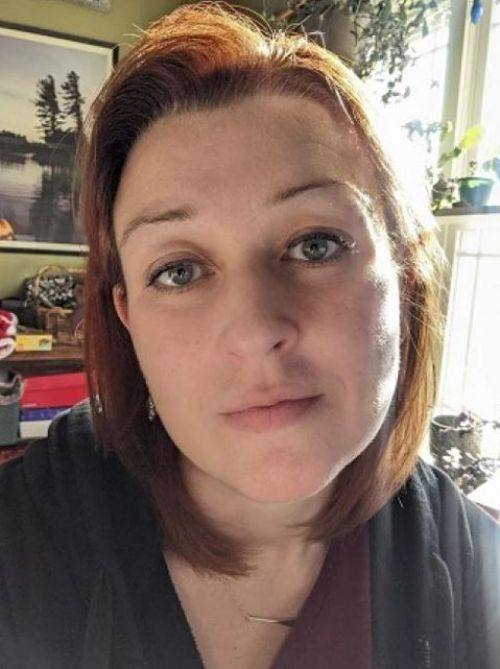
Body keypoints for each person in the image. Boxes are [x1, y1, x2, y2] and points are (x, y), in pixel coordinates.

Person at [1, 3, 499, 668]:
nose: (256, 331)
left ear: (405, 273)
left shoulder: (476, 575)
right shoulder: (20, 546)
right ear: (128, 319)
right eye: (179, 271)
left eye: (316, 244)